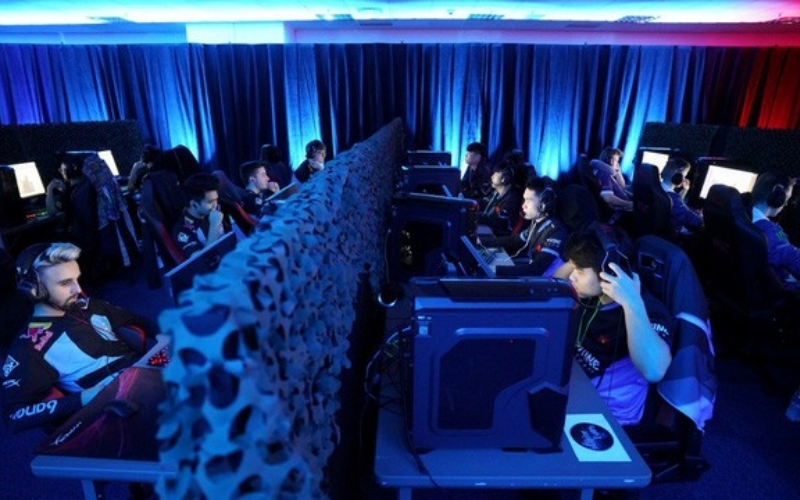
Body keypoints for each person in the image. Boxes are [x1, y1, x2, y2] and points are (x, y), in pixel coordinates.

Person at [1, 242, 157, 432]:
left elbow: (141, 322)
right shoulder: (29, 346)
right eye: (65, 283)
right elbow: (14, 417)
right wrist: (83, 398)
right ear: (35, 288)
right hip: (122, 401)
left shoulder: (90, 306)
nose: (77, 289)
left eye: (76, 279)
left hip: (148, 374)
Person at [562, 224, 674, 425]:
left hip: (607, 415)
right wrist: (579, 256)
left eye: (579, 271)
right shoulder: (590, 294)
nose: (571, 276)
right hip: (575, 386)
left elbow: (654, 370)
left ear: (609, 271)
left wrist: (632, 303)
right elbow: (551, 287)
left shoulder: (647, 310)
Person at [480, 176, 569, 277]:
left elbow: (536, 269)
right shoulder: (537, 223)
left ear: (544, 203)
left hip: (543, 283)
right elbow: (515, 241)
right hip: (533, 278)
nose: (523, 205)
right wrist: (481, 242)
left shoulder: (556, 231)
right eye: (524, 200)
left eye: (529, 200)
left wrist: (496, 270)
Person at [750, 171, 800, 283]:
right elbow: (793, 258)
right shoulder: (772, 232)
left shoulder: (740, 214)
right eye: (787, 199)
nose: (786, 204)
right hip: (776, 287)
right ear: (778, 197)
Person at [171, 172, 229, 259]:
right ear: (194, 204)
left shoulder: (211, 211)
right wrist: (214, 227)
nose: (215, 205)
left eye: (216, 200)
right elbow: (203, 261)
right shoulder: (182, 230)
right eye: (210, 202)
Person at [660, 158, 703, 234]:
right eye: (684, 175)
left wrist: (684, 190)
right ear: (678, 176)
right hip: (671, 234)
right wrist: (702, 215)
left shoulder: (655, 186)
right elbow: (697, 221)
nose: (684, 179)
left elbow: (676, 205)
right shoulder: (674, 200)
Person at [477, 164, 523, 237]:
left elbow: (500, 222)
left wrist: (475, 217)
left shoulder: (512, 199)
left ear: (504, 178)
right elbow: (484, 202)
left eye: (495, 174)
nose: (492, 177)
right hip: (490, 229)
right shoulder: (496, 193)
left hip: (500, 235)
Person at [590, 147, 633, 218]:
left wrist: (618, 172)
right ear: (611, 161)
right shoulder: (605, 174)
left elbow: (622, 187)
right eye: (617, 161)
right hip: (620, 211)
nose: (618, 164)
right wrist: (629, 204)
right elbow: (608, 197)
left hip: (623, 200)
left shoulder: (605, 172)